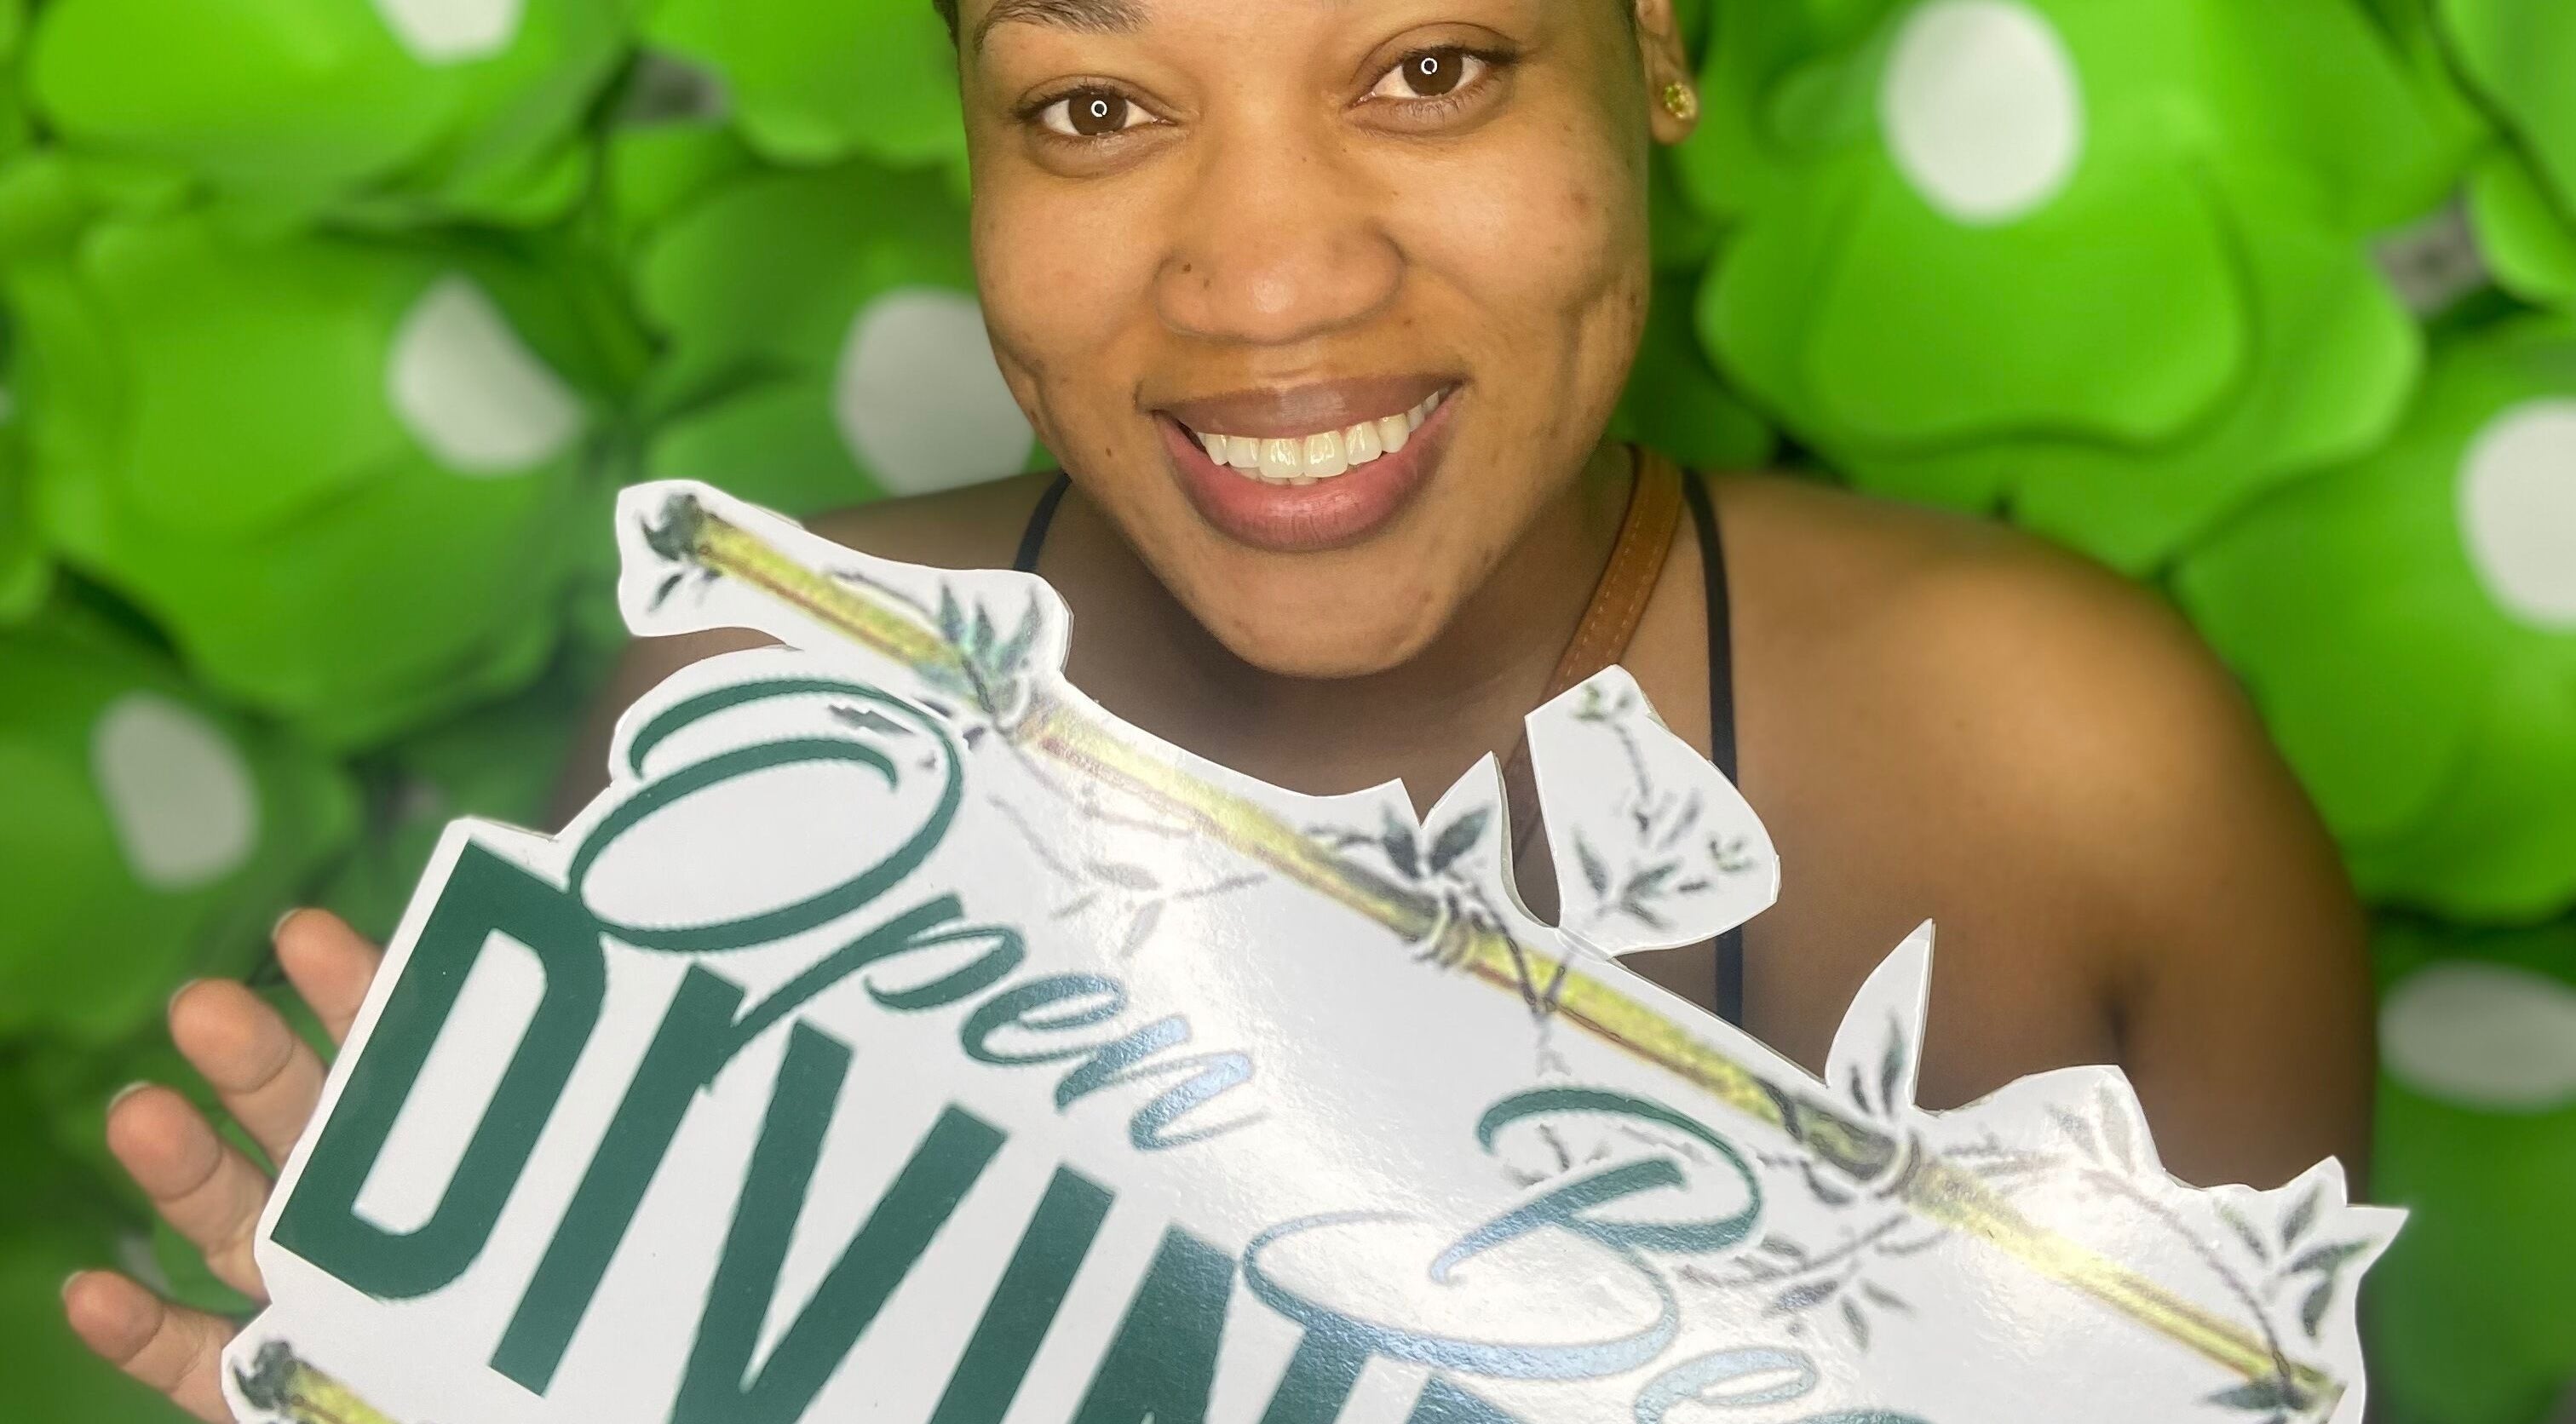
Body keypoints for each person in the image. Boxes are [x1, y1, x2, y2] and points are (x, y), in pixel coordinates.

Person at [62, 1, 2375, 1416]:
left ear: (1656, 45)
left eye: (1433, 69)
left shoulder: (2082, 784)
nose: (1274, 278)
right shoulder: (762, 701)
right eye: (1090, 106)